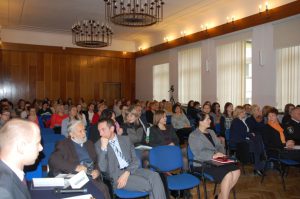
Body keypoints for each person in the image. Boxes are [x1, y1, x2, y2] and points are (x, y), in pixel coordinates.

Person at [95, 118, 166, 199]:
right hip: (118, 177)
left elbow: (136, 160)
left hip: (133, 170)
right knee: (151, 185)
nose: (100, 133)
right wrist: (104, 148)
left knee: (156, 176)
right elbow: (102, 168)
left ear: (112, 128)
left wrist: (127, 172)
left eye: (103, 130)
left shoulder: (125, 139)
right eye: (99, 130)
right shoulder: (98, 145)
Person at [48, 120, 111, 199]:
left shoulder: (89, 143)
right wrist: (75, 167)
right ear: (71, 134)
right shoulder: (63, 144)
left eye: (84, 130)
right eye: (80, 131)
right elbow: (53, 160)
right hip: (74, 177)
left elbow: (96, 162)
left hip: (91, 176)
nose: (84, 133)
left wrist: (97, 171)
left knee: (104, 189)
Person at [189, 113, 240, 199]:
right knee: (228, 175)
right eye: (208, 119)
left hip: (217, 161)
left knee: (237, 171)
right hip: (203, 163)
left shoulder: (211, 132)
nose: (210, 121)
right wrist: (213, 155)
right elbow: (198, 153)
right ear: (200, 122)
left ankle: (220, 197)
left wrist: (220, 154)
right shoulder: (194, 135)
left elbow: (219, 145)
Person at [0, 119, 43, 199]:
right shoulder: (3, 190)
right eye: (37, 143)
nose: (41, 148)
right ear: (21, 147)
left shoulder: (11, 174)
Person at [230, 106, 265, 175]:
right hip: (239, 142)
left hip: (244, 139)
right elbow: (240, 134)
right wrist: (250, 135)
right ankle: (259, 164)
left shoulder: (242, 120)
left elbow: (245, 132)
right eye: (243, 112)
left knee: (258, 139)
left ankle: (259, 163)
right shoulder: (236, 121)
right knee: (257, 143)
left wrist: (250, 134)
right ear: (239, 113)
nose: (245, 113)